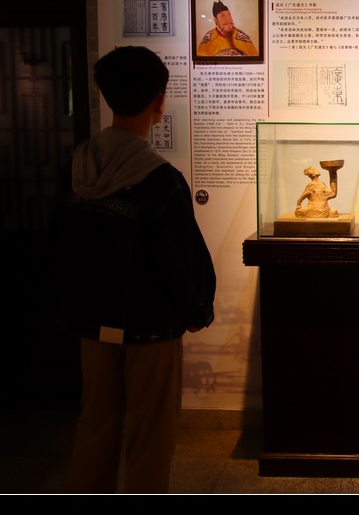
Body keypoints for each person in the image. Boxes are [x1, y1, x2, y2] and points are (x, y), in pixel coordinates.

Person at [57, 46, 216, 493]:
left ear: (108, 95)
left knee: (95, 425)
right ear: (159, 101)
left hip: (92, 321)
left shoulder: (77, 167)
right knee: (151, 434)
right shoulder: (159, 179)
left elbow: (62, 246)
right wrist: (198, 310)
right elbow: (181, 257)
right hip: (150, 327)